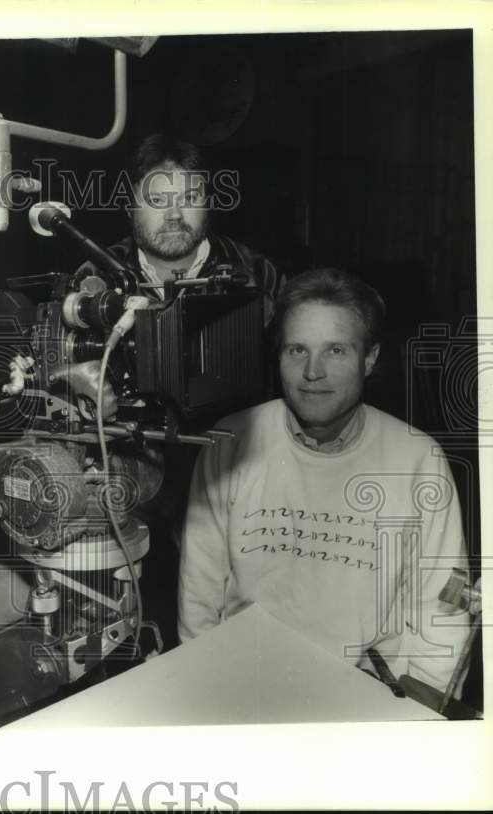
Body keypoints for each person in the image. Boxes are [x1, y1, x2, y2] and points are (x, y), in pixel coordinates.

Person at [178, 268, 470, 695]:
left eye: (335, 350)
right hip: (246, 690)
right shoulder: (229, 442)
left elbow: (442, 613)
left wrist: (416, 724)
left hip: (367, 702)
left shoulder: (417, 459)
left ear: (369, 358)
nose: (312, 371)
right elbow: (198, 599)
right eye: (297, 349)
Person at [77, 133, 285, 323]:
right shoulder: (96, 275)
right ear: (130, 208)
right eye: (156, 200)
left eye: (189, 198)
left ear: (208, 204)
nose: (174, 215)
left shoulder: (261, 274)